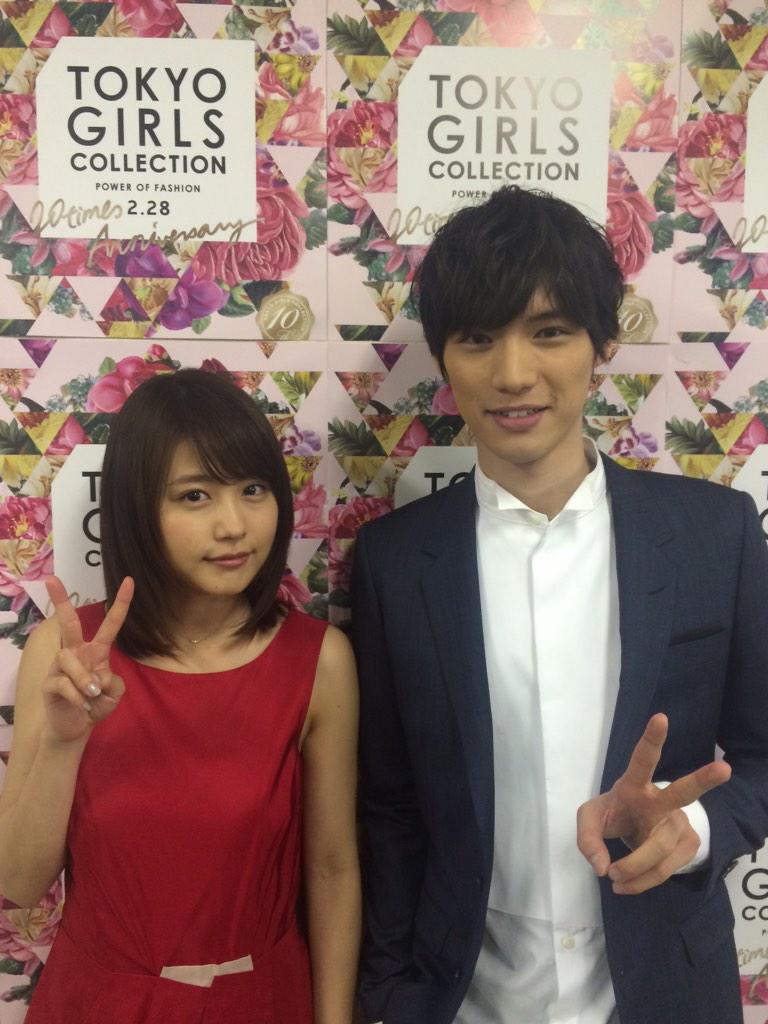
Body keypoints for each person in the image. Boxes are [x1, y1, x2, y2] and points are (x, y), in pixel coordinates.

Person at [351, 186, 768, 1024]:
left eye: (549, 332)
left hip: (665, 994)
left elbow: (762, 757)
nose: (513, 374)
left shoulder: (714, 533)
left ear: (602, 343)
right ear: (443, 357)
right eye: (477, 338)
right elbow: (391, 807)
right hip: (461, 1001)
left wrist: (691, 824)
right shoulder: (395, 562)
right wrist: (390, 994)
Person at [0, 368, 360, 1024]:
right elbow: (19, 883)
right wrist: (63, 742)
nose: (233, 525)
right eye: (195, 496)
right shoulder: (66, 651)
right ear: (137, 508)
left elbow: (332, 872)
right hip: (97, 1004)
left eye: (252, 489)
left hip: (261, 1002)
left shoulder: (318, 660)